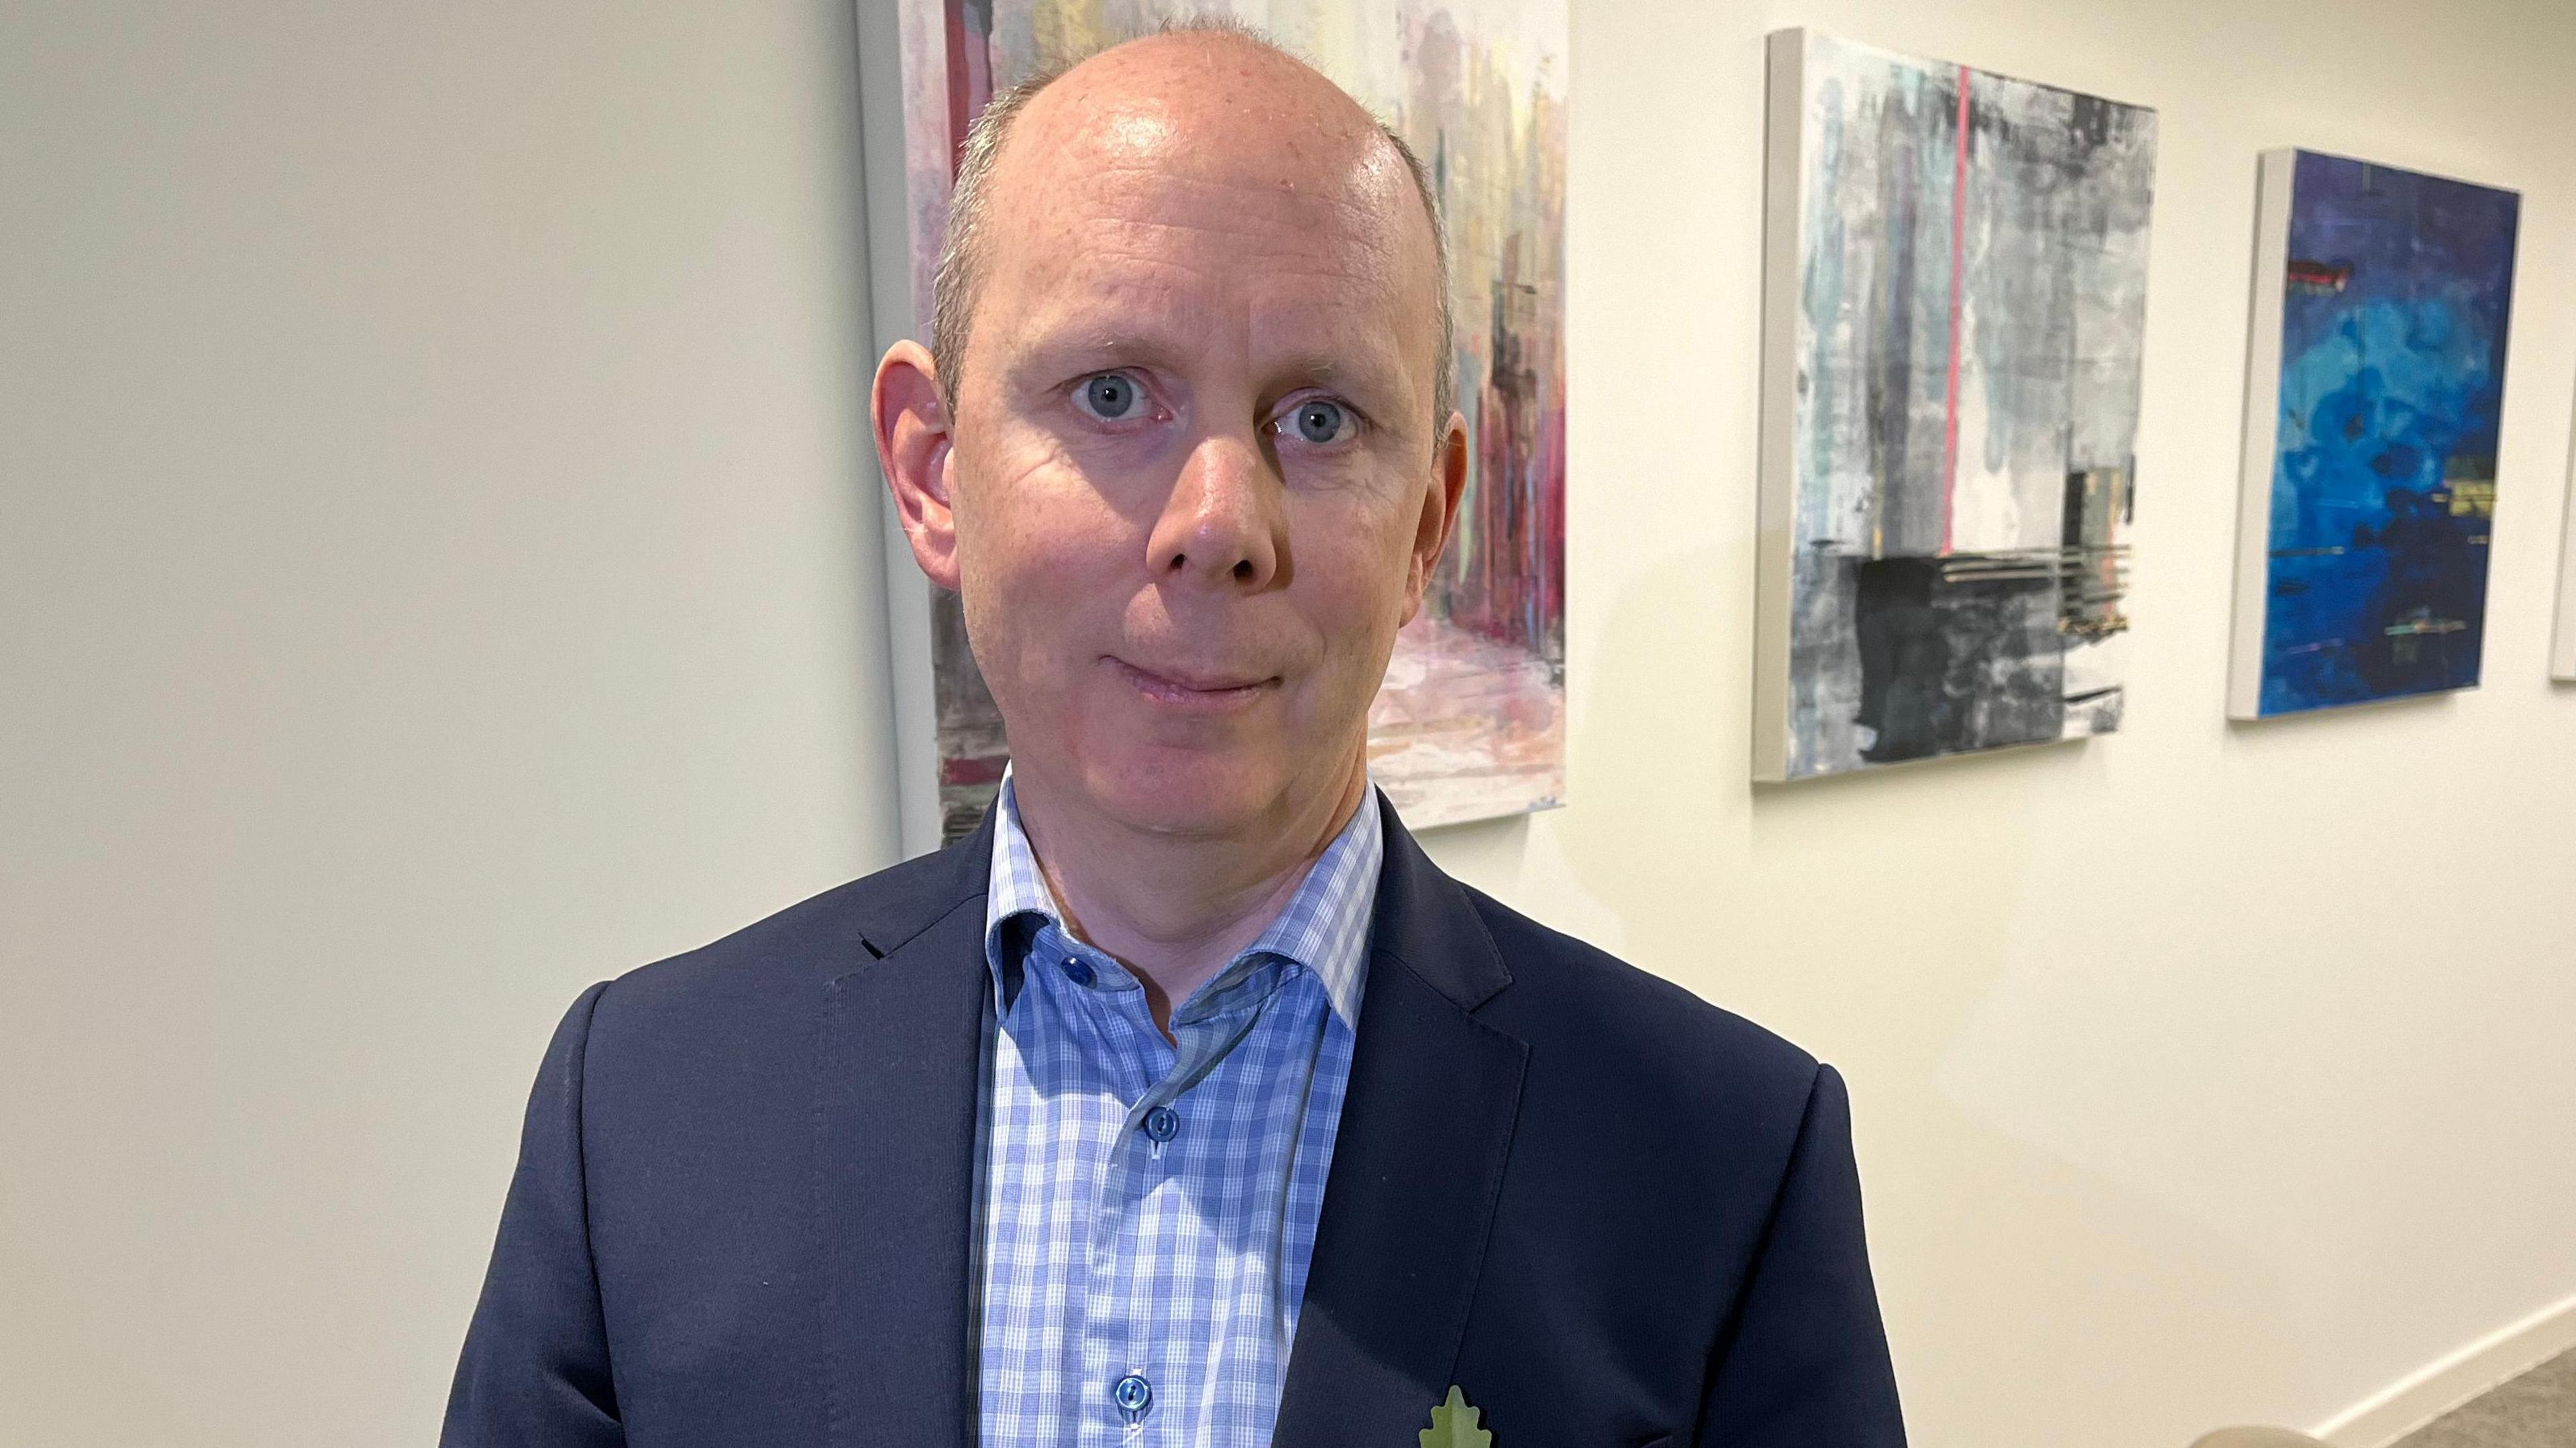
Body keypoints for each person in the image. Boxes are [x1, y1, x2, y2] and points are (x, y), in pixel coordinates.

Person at [443, 24, 1905, 1448]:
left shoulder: (1721, 1167)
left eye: (1321, 420)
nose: (1219, 525)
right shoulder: (641, 1111)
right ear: (934, 471)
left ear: (1429, 527)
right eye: (1112, 394)